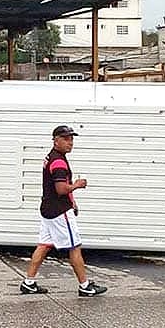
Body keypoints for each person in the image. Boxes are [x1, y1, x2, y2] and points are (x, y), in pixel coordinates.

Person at [19, 125, 108, 297]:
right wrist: (77, 185)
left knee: (44, 245)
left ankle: (28, 283)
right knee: (75, 247)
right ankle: (85, 286)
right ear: (56, 141)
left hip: (48, 209)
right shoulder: (59, 162)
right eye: (66, 139)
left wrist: (72, 201)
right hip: (59, 211)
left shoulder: (51, 157)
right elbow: (61, 189)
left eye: (71, 139)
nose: (70, 143)